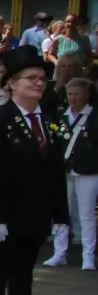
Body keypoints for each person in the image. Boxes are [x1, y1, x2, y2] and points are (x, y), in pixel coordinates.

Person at [0, 45, 67, 295]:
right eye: (31, 78)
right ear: (11, 83)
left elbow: (56, 171)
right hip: (6, 214)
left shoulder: (49, 120)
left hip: (36, 213)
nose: (38, 83)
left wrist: (60, 215)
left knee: (23, 276)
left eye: (42, 78)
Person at [52, 78, 97, 270]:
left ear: (86, 96)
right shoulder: (61, 116)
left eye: (77, 94)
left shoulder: (94, 116)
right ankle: (59, 252)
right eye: (70, 94)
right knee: (61, 213)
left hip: (88, 171)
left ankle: (88, 256)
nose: (72, 98)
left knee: (86, 215)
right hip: (64, 171)